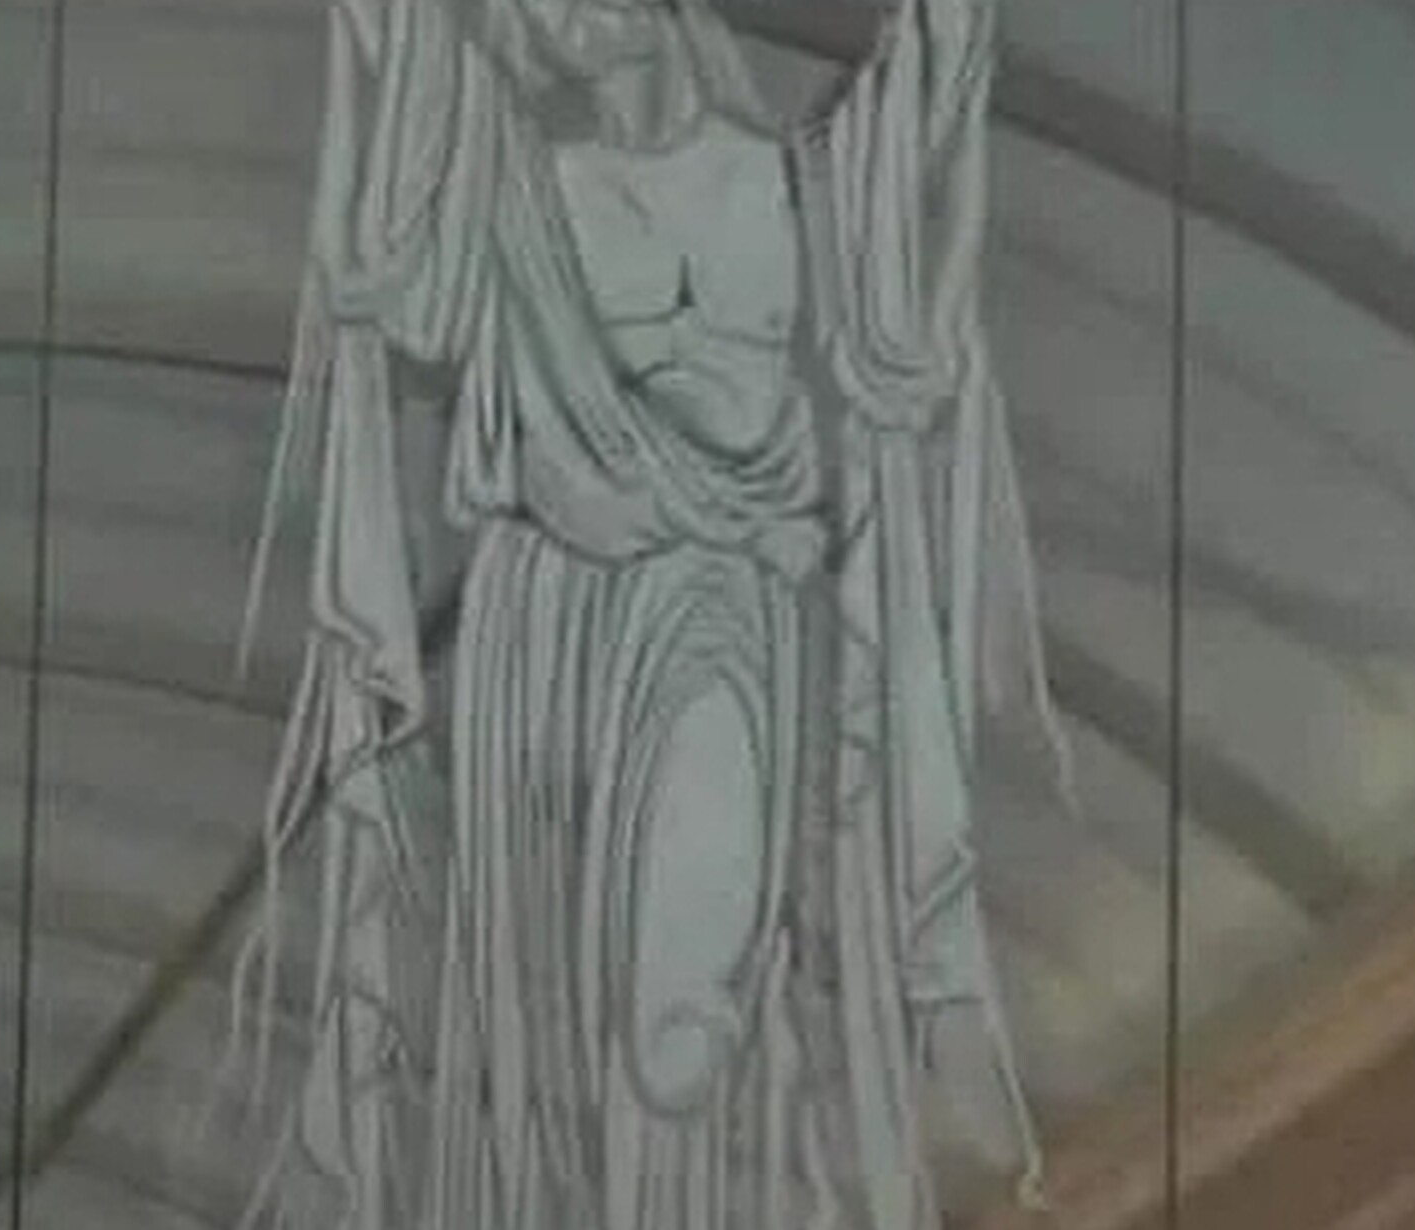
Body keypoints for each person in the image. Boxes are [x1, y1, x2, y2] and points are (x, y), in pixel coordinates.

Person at [217, 0, 1069, 1225]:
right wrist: (372, 53)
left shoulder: (805, 184)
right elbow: (384, 288)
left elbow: (916, 295)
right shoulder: (525, 189)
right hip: (556, 621)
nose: (566, 18)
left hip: (732, 601)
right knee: (586, 1025)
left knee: (678, 1021)